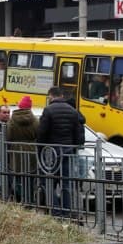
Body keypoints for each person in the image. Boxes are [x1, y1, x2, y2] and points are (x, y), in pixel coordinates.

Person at [37, 86, 85, 218]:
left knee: (48, 182)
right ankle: (66, 211)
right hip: (68, 152)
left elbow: (42, 133)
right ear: (62, 96)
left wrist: (40, 150)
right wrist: (72, 148)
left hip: (51, 153)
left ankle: (56, 210)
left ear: (51, 96)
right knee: (66, 183)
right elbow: (77, 134)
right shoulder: (73, 111)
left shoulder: (48, 110)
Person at [6, 96, 38, 203]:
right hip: (32, 152)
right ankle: (29, 200)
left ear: (20, 106)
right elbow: (38, 135)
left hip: (16, 152)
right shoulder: (35, 120)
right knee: (30, 177)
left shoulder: (12, 120)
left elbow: (8, 136)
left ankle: (21, 199)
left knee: (18, 177)